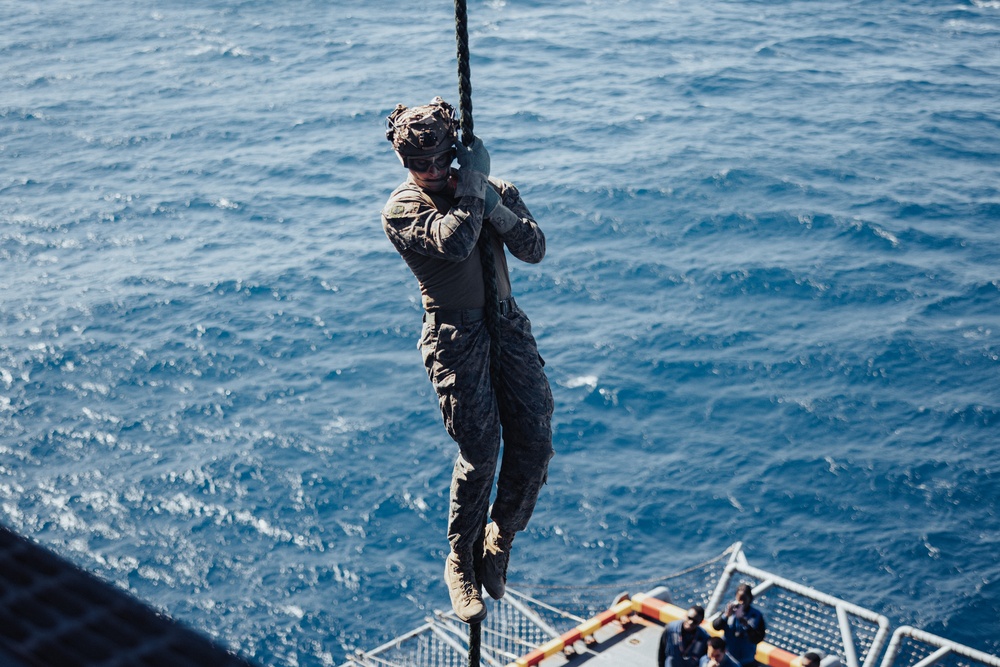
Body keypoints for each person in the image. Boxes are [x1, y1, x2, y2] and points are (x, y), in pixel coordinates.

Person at [381, 97, 555, 623]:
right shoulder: (403, 210)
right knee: (481, 451)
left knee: (535, 439)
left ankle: (500, 536)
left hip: (506, 323)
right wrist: (475, 188)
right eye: (419, 165)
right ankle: (460, 558)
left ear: (455, 149)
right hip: (456, 337)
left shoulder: (490, 192)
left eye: (439, 160)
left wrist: (491, 200)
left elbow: (534, 248)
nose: (432, 173)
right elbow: (455, 242)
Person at [711, 583, 766, 667]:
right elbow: (716, 626)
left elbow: (758, 638)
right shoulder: (729, 611)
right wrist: (726, 615)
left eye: (744, 599)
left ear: (750, 599)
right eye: (740, 599)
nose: (742, 603)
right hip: (728, 658)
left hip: (747, 660)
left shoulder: (756, 615)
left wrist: (745, 623)